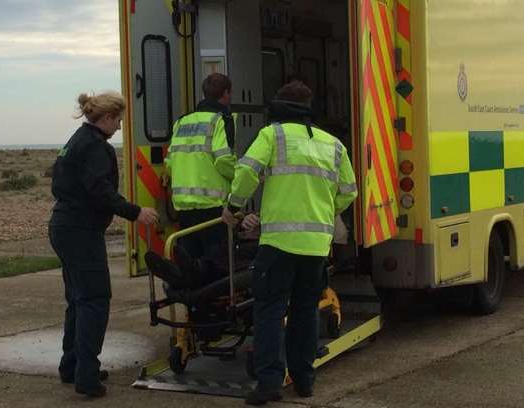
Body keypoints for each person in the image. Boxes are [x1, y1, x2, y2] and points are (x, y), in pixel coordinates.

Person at [222, 82, 357, 405]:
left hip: (279, 243)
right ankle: (304, 380)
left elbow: (246, 172)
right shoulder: (333, 144)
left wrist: (233, 207)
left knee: (269, 311)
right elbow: (349, 191)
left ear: (279, 108)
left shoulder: (273, 135)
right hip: (315, 246)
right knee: (305, 311)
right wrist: (324, 212)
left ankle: (269, 384)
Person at [49, 91, 158, 398]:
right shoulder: (96, 147)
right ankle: (86, 376)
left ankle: (72, 366)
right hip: (80, 230)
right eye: (119, 120)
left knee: (78, 300)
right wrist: (136, 212)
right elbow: (100, 190)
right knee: (95, 300)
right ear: (107, 118)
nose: (120, 126)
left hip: (63, 225)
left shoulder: (75, 141)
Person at [165, 73, 237, 259]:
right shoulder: (221, 120)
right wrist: (240, 176)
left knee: (191, 262)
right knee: (216, 264)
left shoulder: (181, 121)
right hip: (213, 207)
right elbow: (223, 160)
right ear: (226, 93)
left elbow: (170, 163)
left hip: (184, 206)